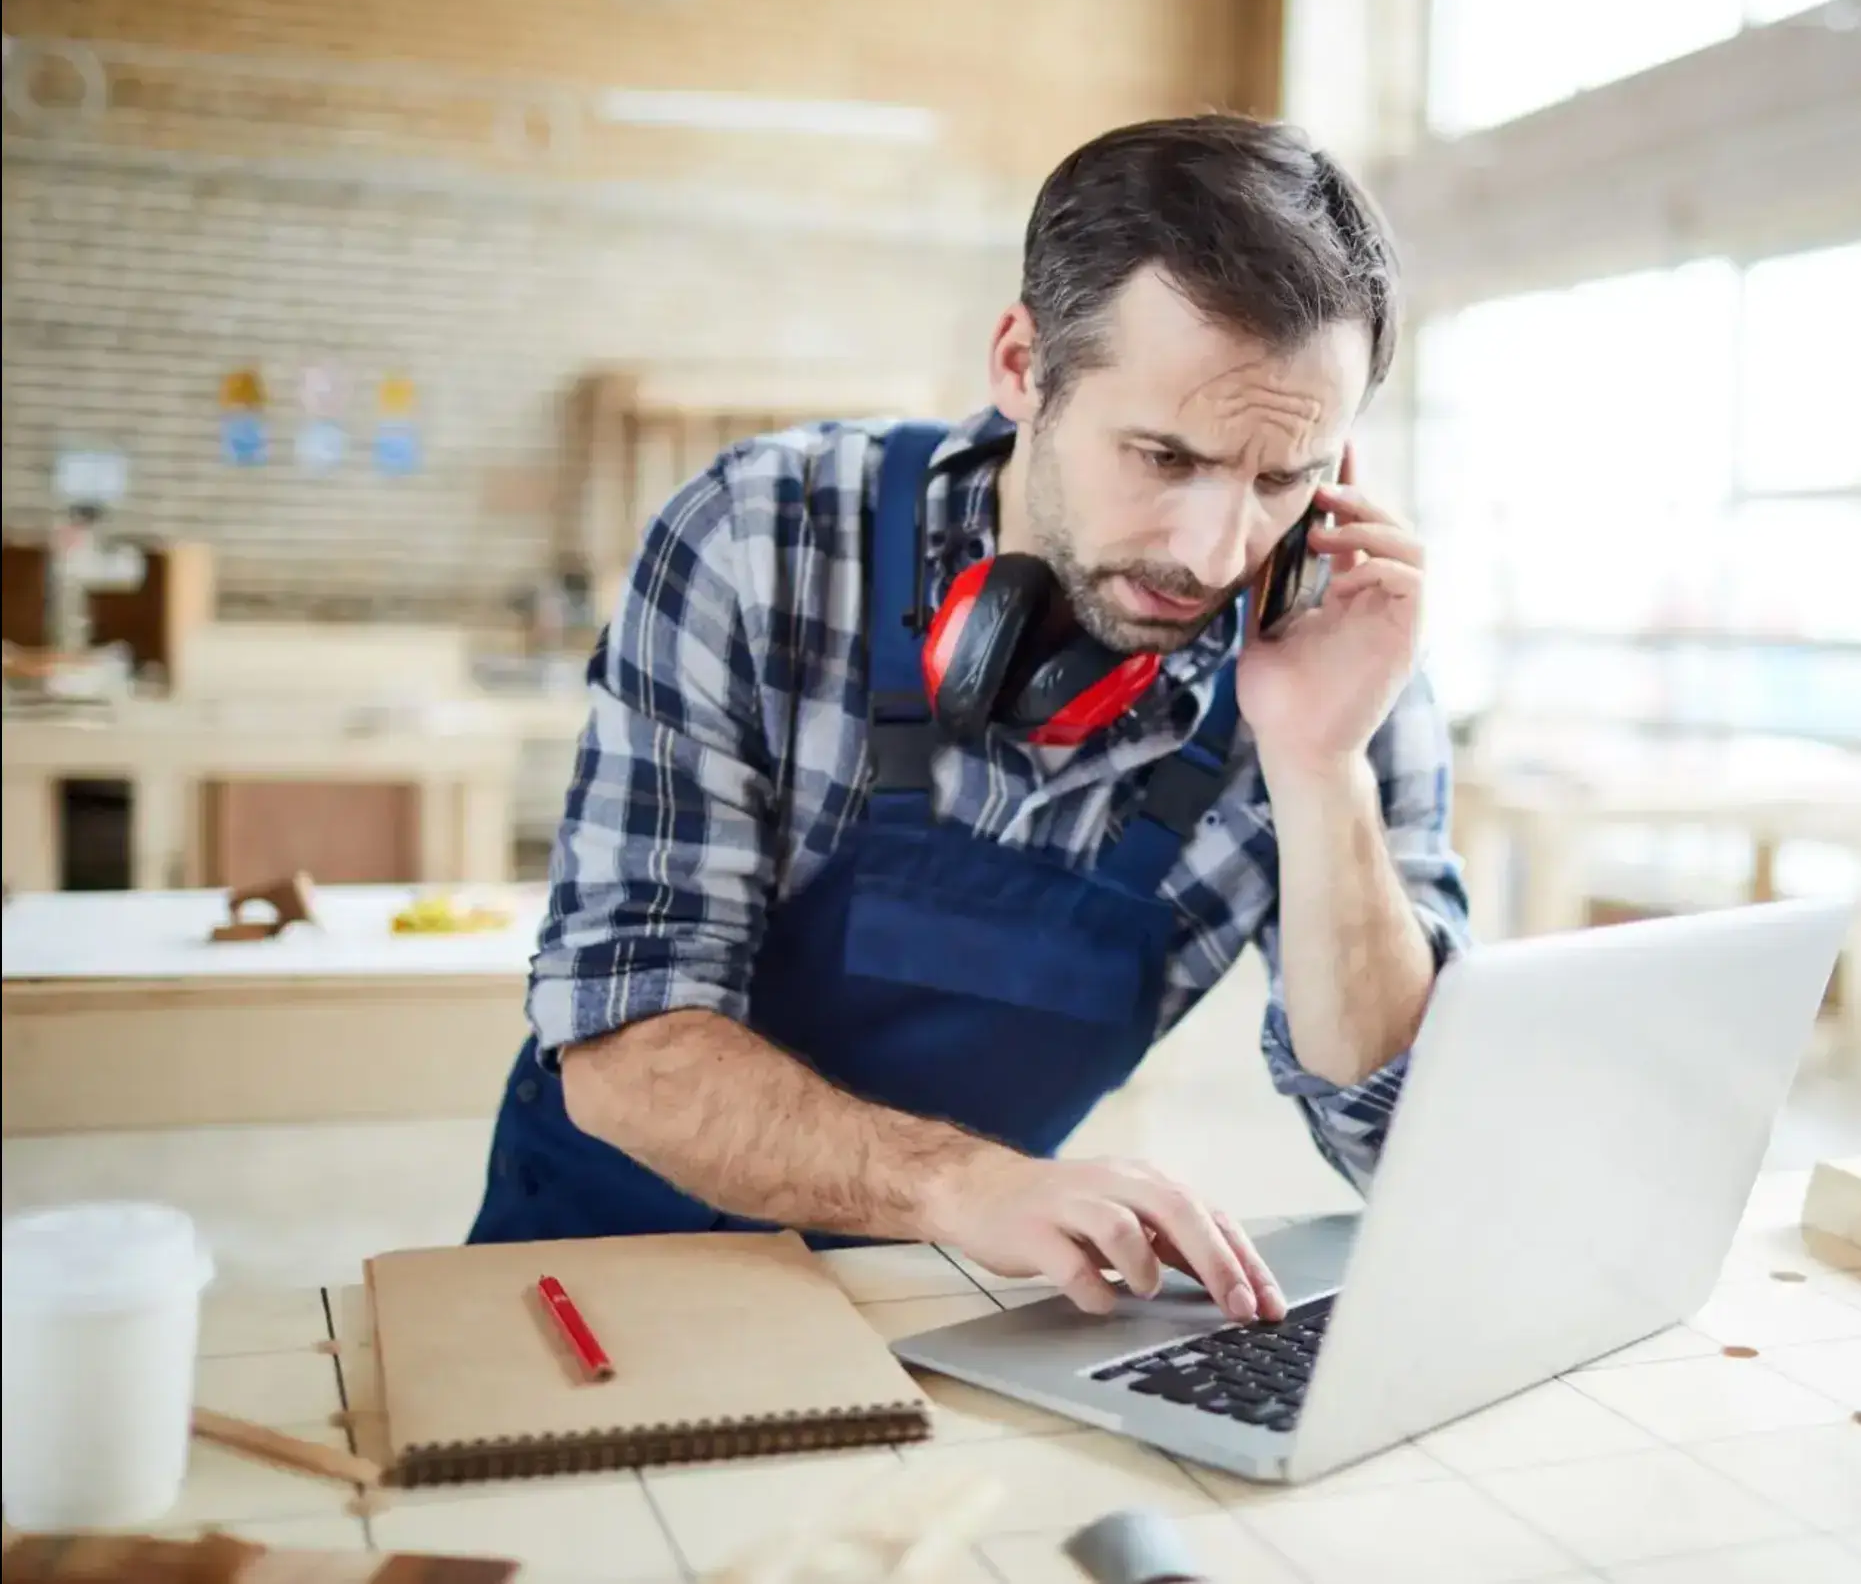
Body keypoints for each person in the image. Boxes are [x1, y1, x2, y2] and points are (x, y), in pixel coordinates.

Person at [465, 114, 1472, 1329]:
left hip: (934, 1317)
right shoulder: (761, 538)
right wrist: (960, 1181)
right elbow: (626, 1042)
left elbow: (1404, 1147)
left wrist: (1321, 771)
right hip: (602, 1280)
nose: (1213, 553)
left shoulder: (1341, 656)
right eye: (1162, 455)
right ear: (1020, 366)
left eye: (1279, 480)